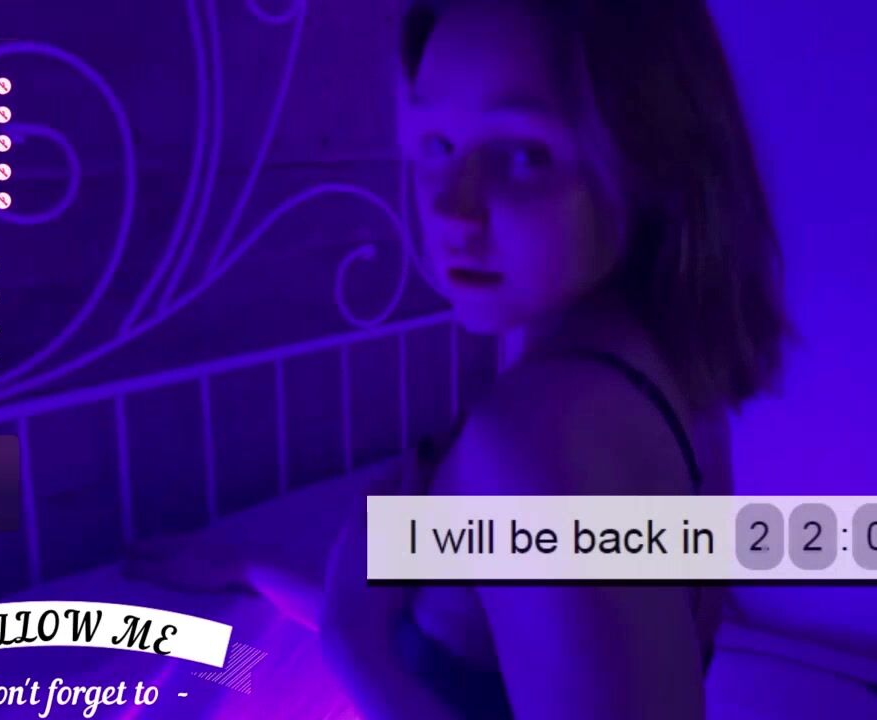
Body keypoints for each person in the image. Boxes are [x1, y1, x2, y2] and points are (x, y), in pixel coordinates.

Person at [316, 0, 787, 717]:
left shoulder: (538, 438)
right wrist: (259, 571)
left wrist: (354, 644)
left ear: (650, 161)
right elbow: (523, 635)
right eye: (437, 142)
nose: (451, 209)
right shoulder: (677, 377)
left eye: (523, 153)